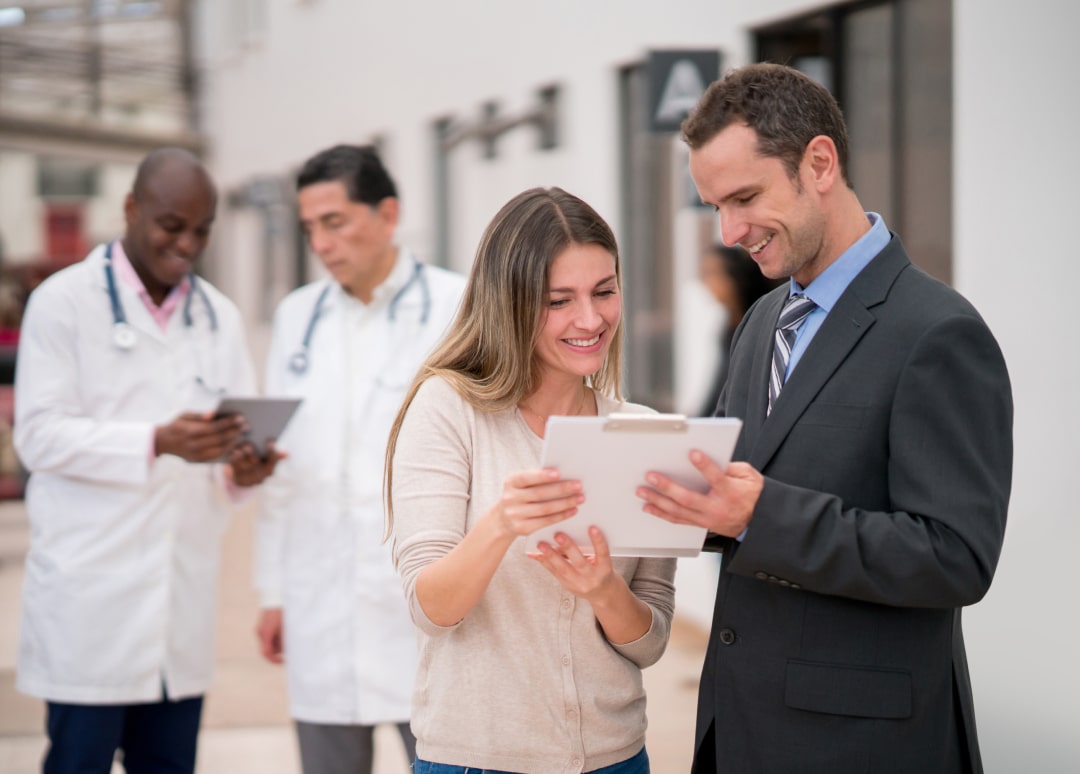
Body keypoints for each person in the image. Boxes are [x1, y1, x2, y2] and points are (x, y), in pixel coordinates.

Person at [637, 63, 1013, 773]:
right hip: (740, 729)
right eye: (714, 206)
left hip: (863, 746)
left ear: (818, 162)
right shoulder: (760, 323)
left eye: (744, 197)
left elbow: (955, 558)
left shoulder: (937, 333)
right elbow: (733, 496)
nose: (729, 231)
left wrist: (760, 514)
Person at [385, 187, 676, 773]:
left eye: (604, 292)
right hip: (476, 761)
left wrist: (602, 591)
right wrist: (500, 525)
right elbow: (429, 608)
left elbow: (649, 642)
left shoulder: (643, 434)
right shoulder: (448, 409)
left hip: (615, 760)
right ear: (510, 302)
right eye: (558, 300)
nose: (590, 320)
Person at [13, 147, 282, 774]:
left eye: (202, 228)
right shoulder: (64, 301)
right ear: (131, 209)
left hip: (179, 608)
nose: (187, 242)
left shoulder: (219, 315)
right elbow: (40, 436)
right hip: (91, 603)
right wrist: (155, 442)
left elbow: (232, 446)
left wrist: (243, 471)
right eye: (171, 224)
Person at [254, 144, 466, 774]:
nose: (320, 242)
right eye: (309, 227)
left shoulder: (457, 307)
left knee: (441, 754)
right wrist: (272, 590)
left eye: (335, 221)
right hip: (319, 592)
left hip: (423, 594)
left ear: (388, 213)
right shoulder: (297, 317)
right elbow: (281, 471)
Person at [697, 243, 782, 417]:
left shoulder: (761, 326)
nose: (705, 282)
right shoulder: (727, 328)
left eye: (712, 273)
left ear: (735, 278)